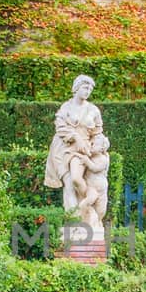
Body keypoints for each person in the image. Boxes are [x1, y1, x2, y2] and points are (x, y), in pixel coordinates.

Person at [44, 75, 103, 215]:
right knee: (69, 184)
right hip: (63, 148)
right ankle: (73, 220)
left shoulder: (93, 110)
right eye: (85, 87)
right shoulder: (66, 107)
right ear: (76, 88)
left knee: (77, 180)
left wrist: (101, 145)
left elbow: (98, 132)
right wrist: (76, 137)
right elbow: (60, 127)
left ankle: (87, 205)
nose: (87, 91)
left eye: (90, 89)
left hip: (81, 151)